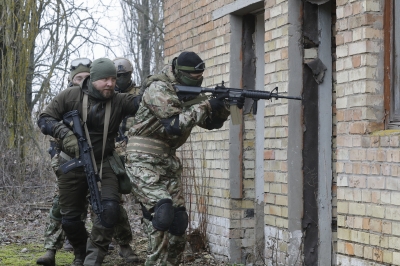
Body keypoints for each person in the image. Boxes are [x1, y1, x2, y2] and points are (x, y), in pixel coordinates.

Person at [124, 51, 244, 265]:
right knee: (162, 212)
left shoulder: (190, 92)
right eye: (195, 77)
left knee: (179, 222)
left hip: (167, 161)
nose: (199, 80)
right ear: (180, 73)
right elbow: (174, 126)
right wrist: (207, 104)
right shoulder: (158, 88)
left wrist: (227, 106)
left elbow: (210, 123)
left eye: (201, 76)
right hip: (141, 158)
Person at [37, 57, 141, 266]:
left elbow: (143, 103)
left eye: (113, 79)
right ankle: (81, 252)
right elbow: (44, 118)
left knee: (109, 209)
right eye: (105, 79)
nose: (110, 84)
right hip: (72, 161)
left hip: (105, 162)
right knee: (70, 219)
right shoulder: (70, 96)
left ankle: (94, 258)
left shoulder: (119, 100)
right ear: (93, 79)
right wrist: (65, 134)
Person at [37, 58, 92, 266]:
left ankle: (90, 248)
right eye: (78, 77)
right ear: (71, 80)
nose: (82, 81)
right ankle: (51, 250)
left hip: (94, 159)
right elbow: (46, 120)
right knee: (61, 204)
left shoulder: (99, 98)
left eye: (87, 77)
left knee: (98, 204)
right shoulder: (63, 99)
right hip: (68, 159)